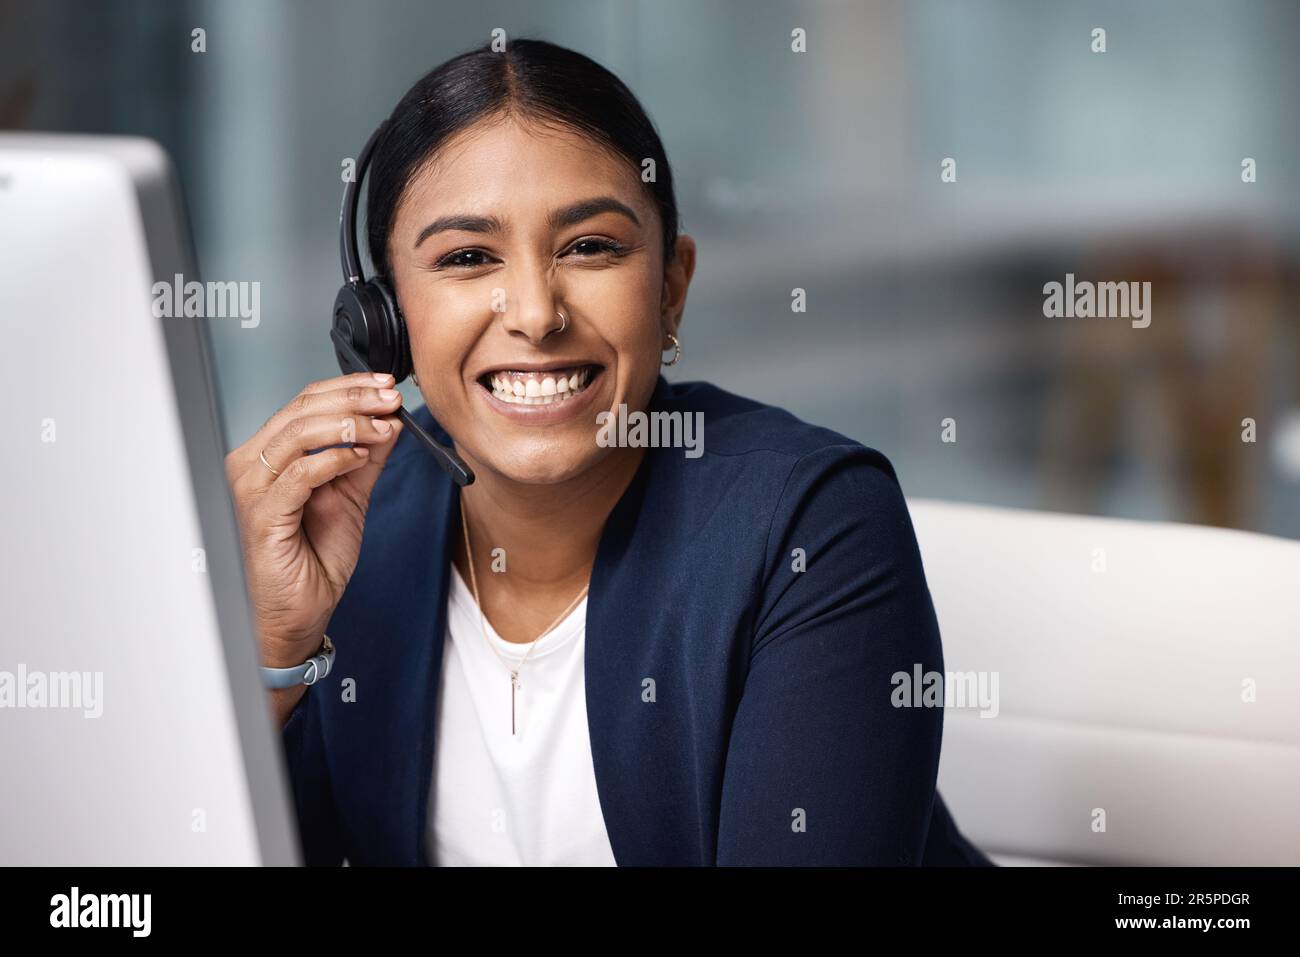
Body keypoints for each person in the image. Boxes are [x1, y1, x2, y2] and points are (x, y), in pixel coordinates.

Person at [224, 36, 992, 866]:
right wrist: (269, 646)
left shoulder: (811, 526)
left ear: (670, 289)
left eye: (590, 246)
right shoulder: (356, 533)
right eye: (467, 257)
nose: (534, 313)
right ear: (386, 321)